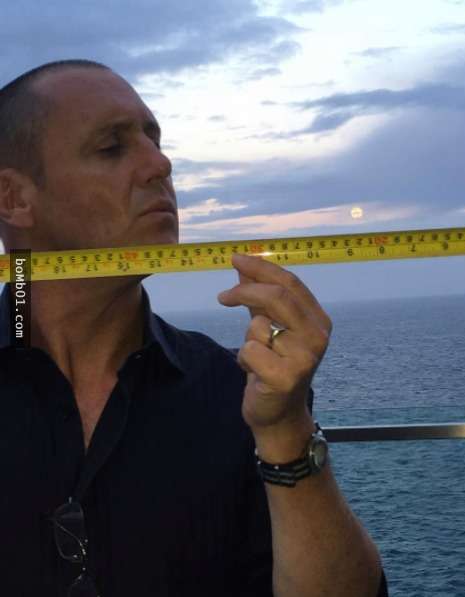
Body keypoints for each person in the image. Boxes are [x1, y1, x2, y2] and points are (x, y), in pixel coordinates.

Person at [0, 60, 388, 596]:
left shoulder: (239, 393)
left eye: (154, 140)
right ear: (14, 199)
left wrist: (285, 432)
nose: (160, 164)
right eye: (111, 147)